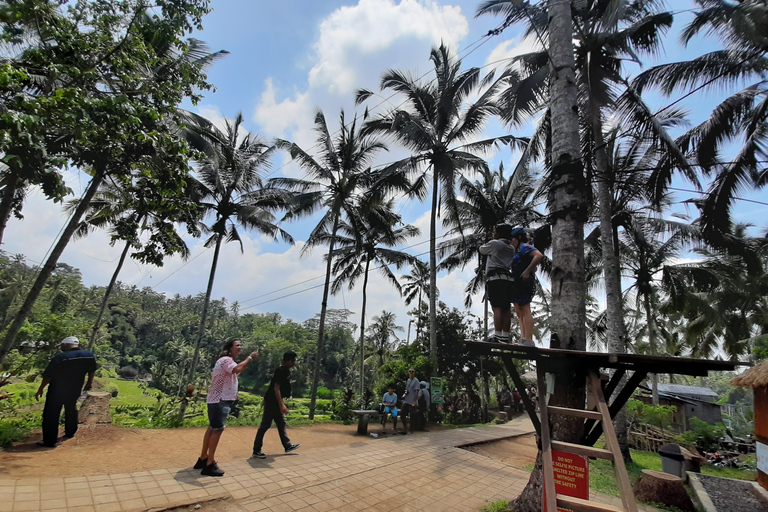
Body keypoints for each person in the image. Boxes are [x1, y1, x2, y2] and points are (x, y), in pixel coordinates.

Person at [197, 339, 258, 477]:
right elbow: (237, 369)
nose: (240, 348)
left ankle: (203, 458)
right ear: (229, 348)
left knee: (213, 428)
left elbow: (235, 370)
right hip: (220, 400)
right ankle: (209, 464)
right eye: (237, 345)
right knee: (217, 430)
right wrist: (250, 358)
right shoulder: (226, 360)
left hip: (217, 400)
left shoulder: (225, 360)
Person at [35, 336, 96, 448]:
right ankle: (70, 432)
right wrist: (89, 383)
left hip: (57, 391)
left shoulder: (61, 357)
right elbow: (92, 370)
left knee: (51, 414)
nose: (61, 348)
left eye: (62, 346)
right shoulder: (88, 356)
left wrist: (40, 389)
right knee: (71, 408)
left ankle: (49, 441)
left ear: (65, 345)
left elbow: (48, 376)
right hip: (75, 389)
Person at [252, 351, 301, 459]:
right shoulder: (281, 370)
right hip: (272, 402)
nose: (294, 363)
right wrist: (281, 405)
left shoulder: (285, 371)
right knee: (265, 425)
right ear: (287, 360)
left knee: (281, 423)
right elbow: (276, 389)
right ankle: (256, 450)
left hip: (274, 402)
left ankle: (287, 445)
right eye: (292, 360)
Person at [479, 223, 517, 343]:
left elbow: (481, 250)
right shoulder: (511, 248)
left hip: (495, 279)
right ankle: (505, 336)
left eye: (495, 231)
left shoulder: (495, 244)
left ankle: (497, 335)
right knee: (506, 308)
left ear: (499, 233)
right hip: (507, 279)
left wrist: (487, 240)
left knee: (497, 308)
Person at [509, 228, 544, 347]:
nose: (510, 241)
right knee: (519, 311)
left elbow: (538, 255)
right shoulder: (516, 250)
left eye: (512, 239)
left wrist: (528, 270)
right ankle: (523, 337)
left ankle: (528, 339)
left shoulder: (525, 247)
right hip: (516, 282)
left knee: (525, 309)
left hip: (524, 281)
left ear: (518, 238)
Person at [401, 368, 420, 433]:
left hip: (412, 401)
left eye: (412, 372)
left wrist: (415, 401)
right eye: (410, 372)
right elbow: (406, 389)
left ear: (414, 373)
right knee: (402, 414)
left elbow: (416, 391)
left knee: (412, 415)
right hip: (406, 400)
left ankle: (412, 429)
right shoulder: (408, 380)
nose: (411, 373)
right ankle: (405, 427)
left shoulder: (416, 381)